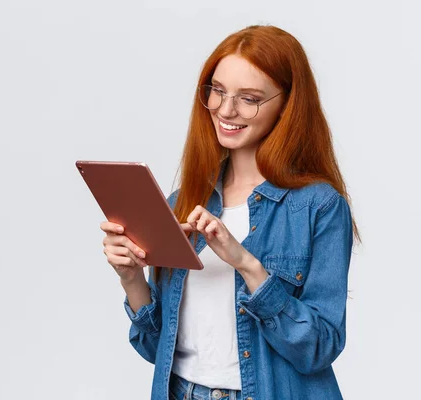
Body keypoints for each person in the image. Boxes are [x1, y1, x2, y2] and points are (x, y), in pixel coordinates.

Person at [100, 25, 358, 400]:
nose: (226, 109)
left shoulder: (318, 206)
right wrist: (131, 279)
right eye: (217, 91)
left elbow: (320, 347)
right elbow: (158, 351)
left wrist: (247, 264)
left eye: (249, 98)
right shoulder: (184, 201)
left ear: (288, 104)